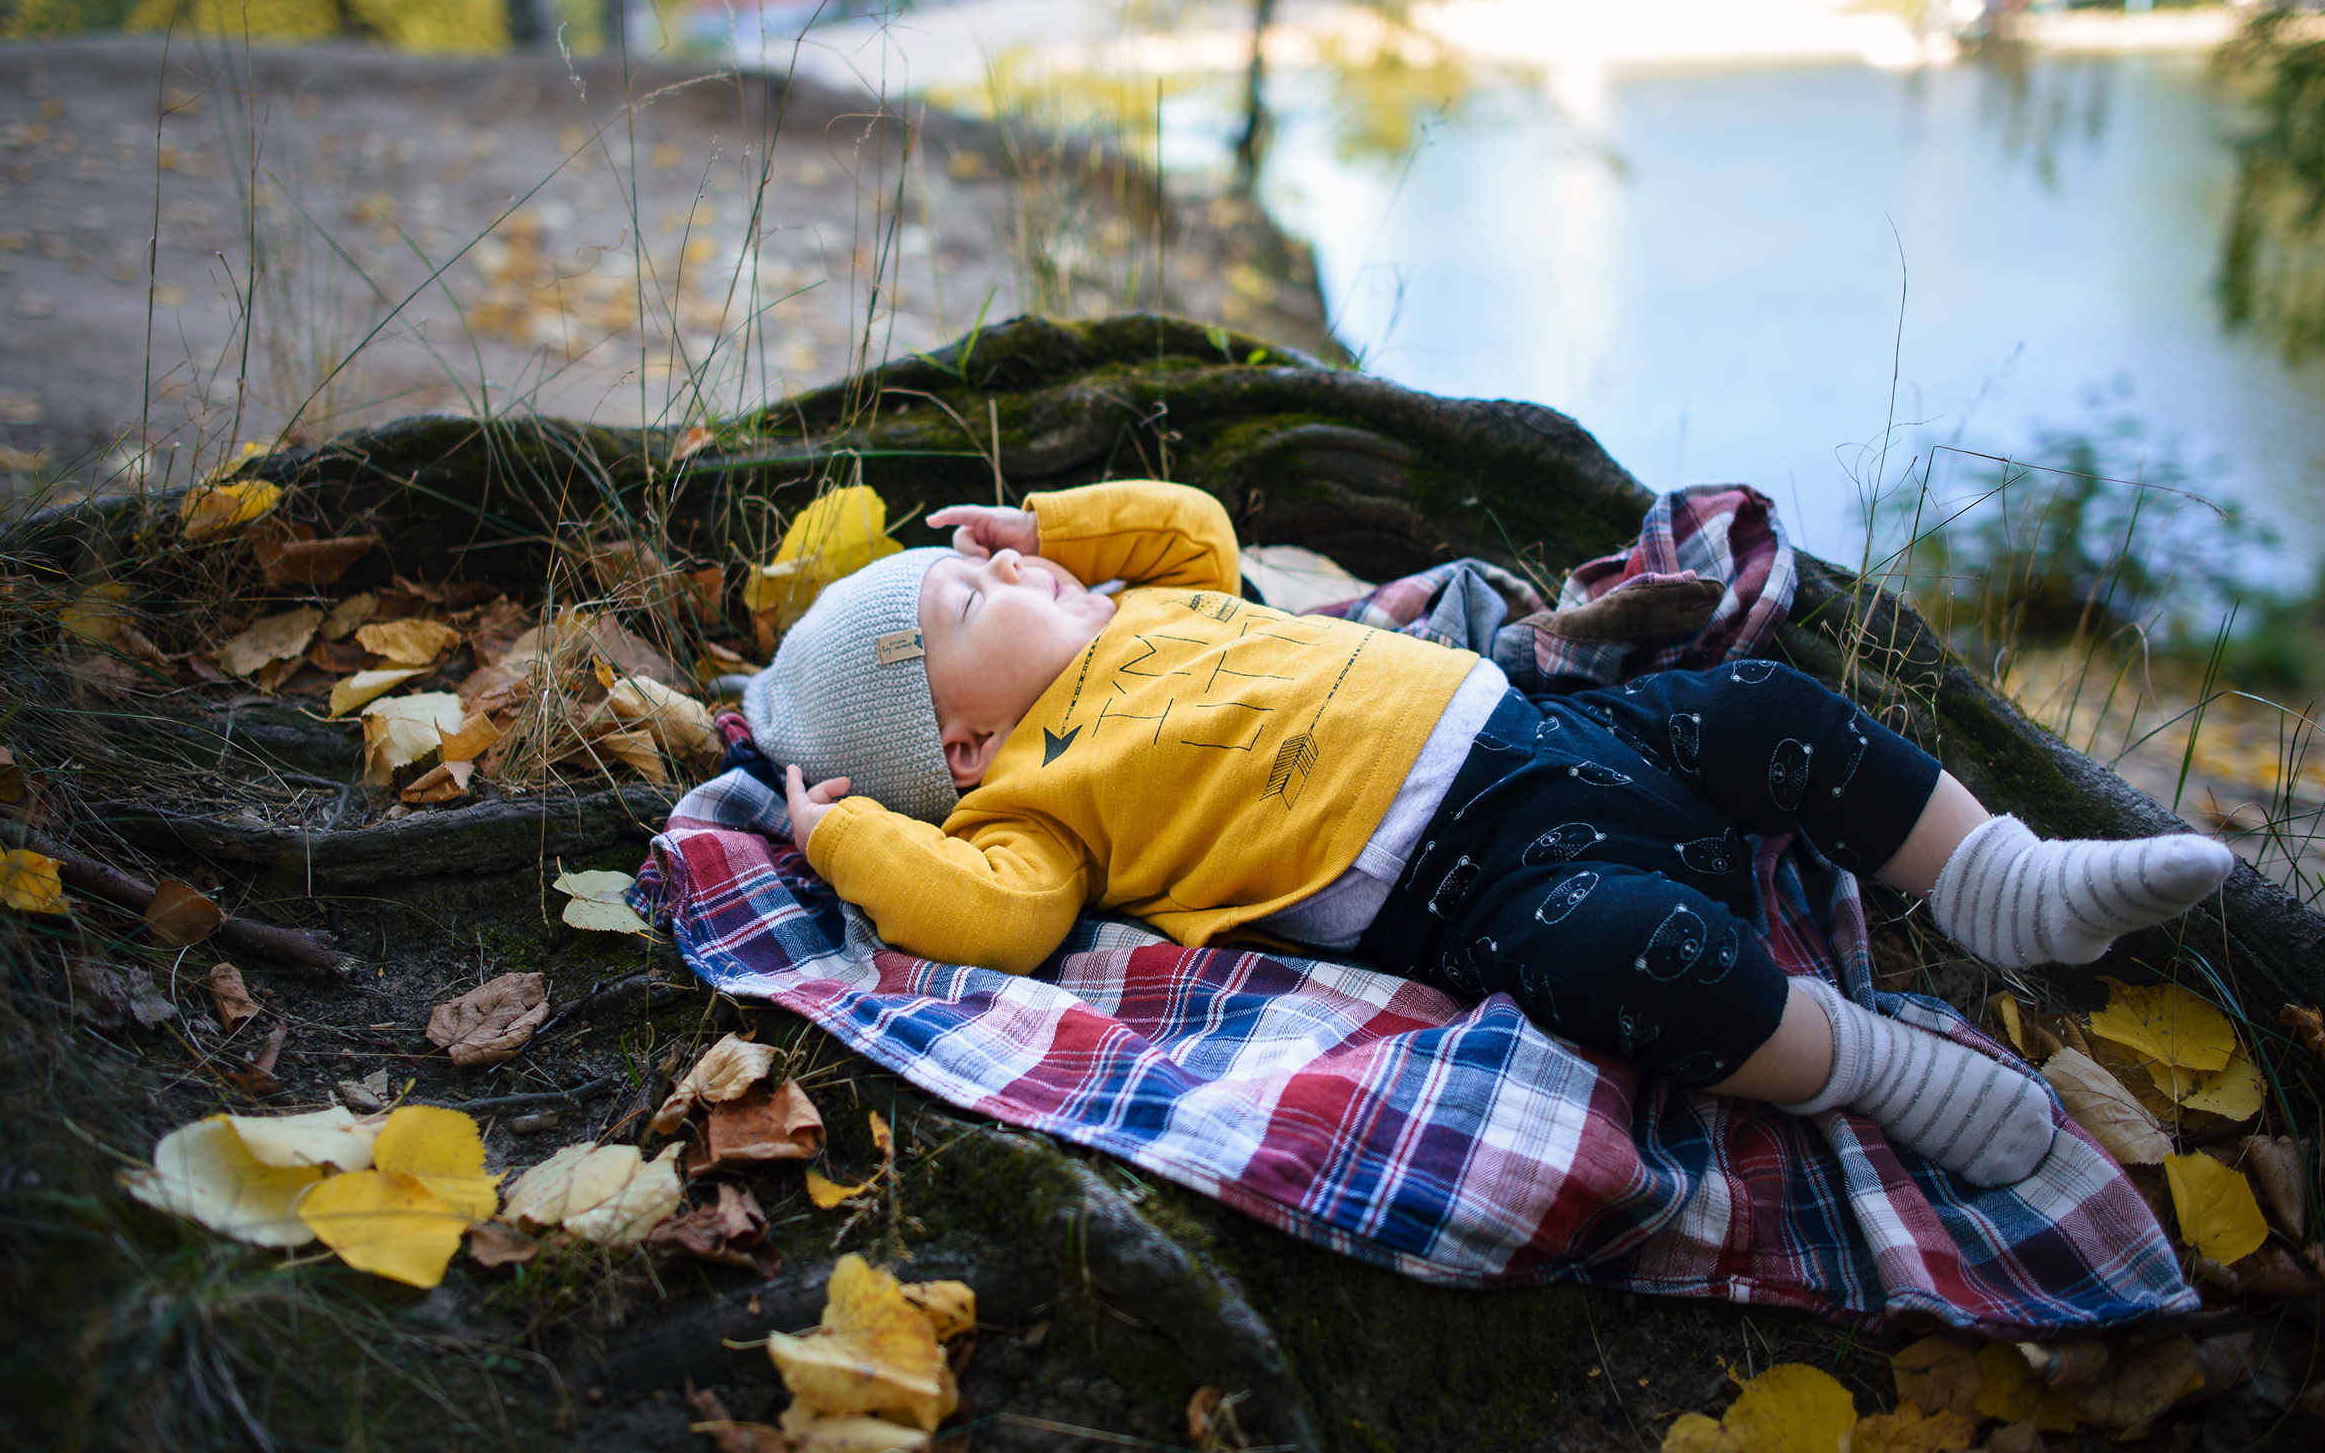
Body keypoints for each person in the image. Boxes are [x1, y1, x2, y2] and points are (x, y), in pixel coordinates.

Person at [743, 481, 2233, 1188]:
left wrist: (1046, 523)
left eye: (986, 565)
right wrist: (848, 845)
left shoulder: (1155, 598)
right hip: (1475, 877)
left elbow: (1189, 523)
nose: (1009, 575)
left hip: (1545, 728)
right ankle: (1886, 1068)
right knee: (1635, 960)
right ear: (962, 743)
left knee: (1769, 700)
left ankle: (2002, 877)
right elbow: (994, 918)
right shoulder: (1032, 807)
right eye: (967, 603)